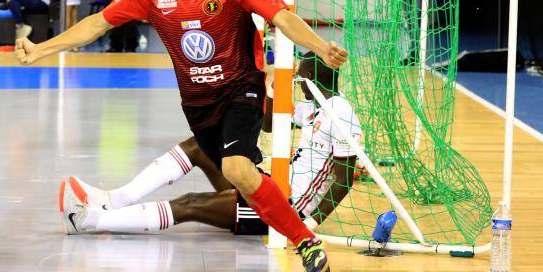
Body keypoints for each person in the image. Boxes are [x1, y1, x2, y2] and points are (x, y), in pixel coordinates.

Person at [18, 0, 348, 272]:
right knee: (239, 177)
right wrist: (42, 49)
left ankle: (305, 242)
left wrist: (321, 47)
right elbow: (97, 24)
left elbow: (282, 17)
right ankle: (263, 205)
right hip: (197, 105)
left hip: (241, 88)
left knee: (237, 168)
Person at [62, 54, 361, 237]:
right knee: (201, 147)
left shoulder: (341, 113)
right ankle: (117, 199)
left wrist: (311, 222)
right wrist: (272, 86)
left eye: (299, 79)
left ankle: (92, 220)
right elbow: (270, 124)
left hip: (285, 208)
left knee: (192, 203)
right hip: (271, 185)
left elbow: (345, 178)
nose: (297, 84)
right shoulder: (313, 108)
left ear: (309, 79)